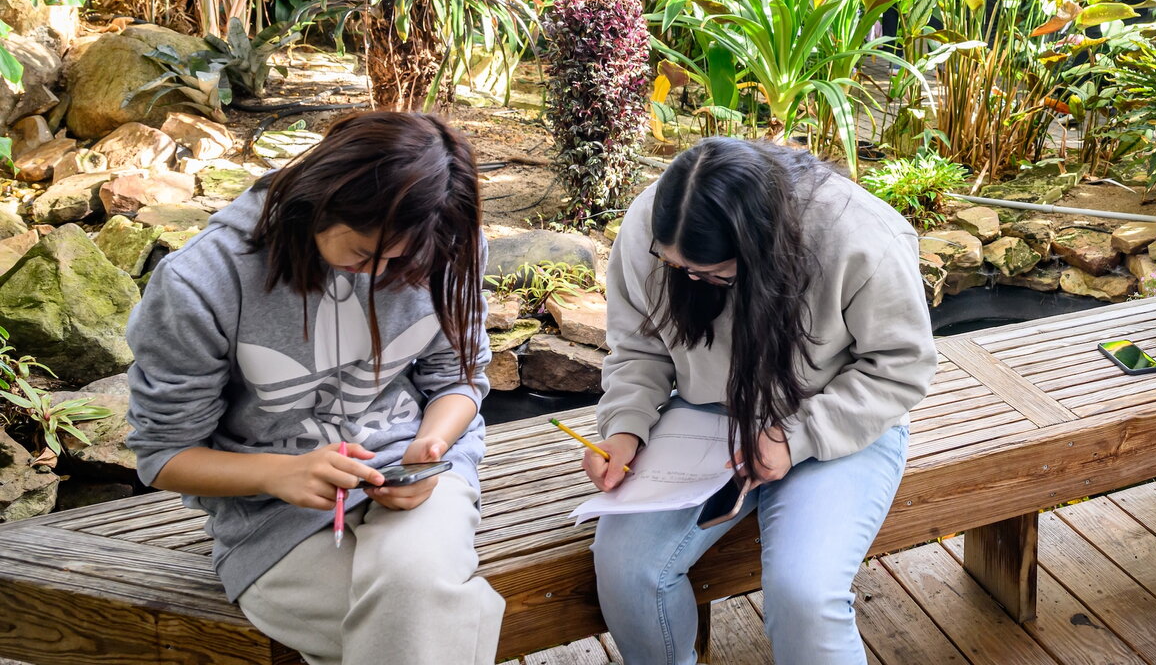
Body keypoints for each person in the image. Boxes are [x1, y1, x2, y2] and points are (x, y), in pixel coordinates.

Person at [125, 112, 501, 665]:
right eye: (368, 253)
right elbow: (163, 455)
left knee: (414, 593)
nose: (384, 272)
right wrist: (284, 473)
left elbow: (460, 378)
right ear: (321, 201)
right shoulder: (199, 283)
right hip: (271, 513)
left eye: (404, 260)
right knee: (427, 623)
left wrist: (433, 445)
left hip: (414, 482)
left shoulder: (446, 242)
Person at [588, 137, 937, 665]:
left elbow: (902, 366)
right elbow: (639, 347)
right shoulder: (653, 224)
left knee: (806, 595)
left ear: (758, 247)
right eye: (675, 267)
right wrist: (625, 427)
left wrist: (793, 439)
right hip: (707, 416)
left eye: (711, 274)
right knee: (625, 569)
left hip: (835, 417)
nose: (689, 280)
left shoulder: (859, 237)